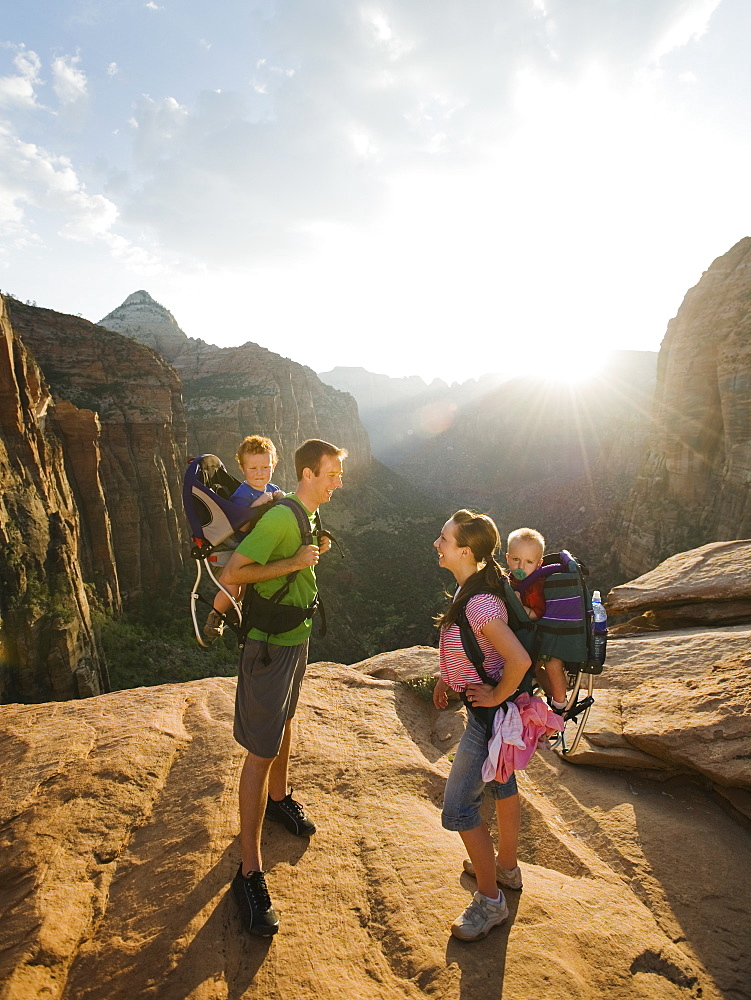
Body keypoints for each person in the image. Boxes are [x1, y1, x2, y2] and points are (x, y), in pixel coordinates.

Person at [221, 438, 346, 937]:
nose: (339, 482)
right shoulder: (280, 518)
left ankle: (278, 799)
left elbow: (300, 561)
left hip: (296, 638)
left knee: (286, 723)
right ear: (309, 474)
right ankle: (248, 872)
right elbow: (234, 572)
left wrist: (308, 557)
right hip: (268, 646)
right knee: (259, 750)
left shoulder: (308, 516)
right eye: (333, 473)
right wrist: (294, 563)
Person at [432, 510, 532, 942]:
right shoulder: (473, 588)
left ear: (465, 551)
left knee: (458, 808)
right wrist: (447, 674)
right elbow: (473, 645)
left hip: (488, 719)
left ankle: (491, 903)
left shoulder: (480, 602)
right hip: (495, 715)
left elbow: (519, 660)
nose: (437, 544)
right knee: (502, 785)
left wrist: (493, 694)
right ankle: (505, 867)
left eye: (444, 539)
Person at [203, 435, 285, 642]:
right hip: (230, 549)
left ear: (273, 465)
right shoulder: (242, 495)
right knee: (232, 587)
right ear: (242, 469)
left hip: (249, 550)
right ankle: (215, 616)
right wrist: (259, 505)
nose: (259, 473)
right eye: (253, 468)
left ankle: (232, 609)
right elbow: (241, 526)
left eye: (265, 467)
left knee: (243, 590)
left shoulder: (272, 489)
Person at [506, 527, 567, 712]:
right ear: (507, 558)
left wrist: (518, 605)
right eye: (516, 560)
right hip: (523, 636)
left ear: (539, 564)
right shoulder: (511, 580)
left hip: (538, 637)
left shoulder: (534, 586)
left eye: (529, 562)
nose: (521, 567)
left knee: (546, 666)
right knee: (538, 671)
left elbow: (538, 613)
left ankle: (559, 704)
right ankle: (549, 696)